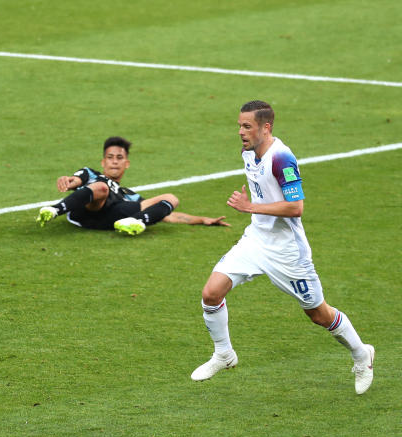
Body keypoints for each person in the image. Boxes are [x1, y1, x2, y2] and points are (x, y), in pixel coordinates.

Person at [191, 101, 374, 394]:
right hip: (255, 241)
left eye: (247, 126)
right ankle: (224, 355)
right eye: (239, 125)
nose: (240, 132)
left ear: (266, 127)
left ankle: (361, 353)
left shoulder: (282, 159)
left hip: (287, 252)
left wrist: (250, 206)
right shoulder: (248, 152)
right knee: (211, 293)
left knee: (317, 314)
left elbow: (296, 207)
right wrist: (254, 208)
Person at [37, 136, 230, 234]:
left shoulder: (129, 195)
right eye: (110, 158)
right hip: (86, 211)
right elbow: (75, 180)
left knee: (171, 198)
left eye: (119, 158)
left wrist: (202, 219)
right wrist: (69, 182)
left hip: (111, 219)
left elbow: (167, 216)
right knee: (101, 188)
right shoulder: (91, 173)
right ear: (103, 162)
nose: (114, 161)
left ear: (126, 163)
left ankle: (137, 222)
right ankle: (54, 210)